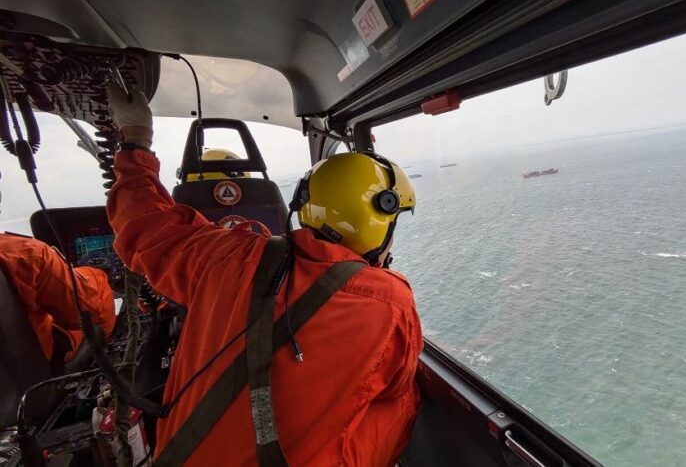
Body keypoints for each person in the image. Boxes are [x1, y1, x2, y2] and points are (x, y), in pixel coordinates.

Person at [105, 85, 422, 466]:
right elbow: (395, 384)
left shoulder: (224, 253)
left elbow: (142, 223)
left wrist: (136, 139)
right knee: (403, 400)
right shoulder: (389, 303)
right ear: (378, 220)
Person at [0, 233, 116, 366]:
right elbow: (85, 313)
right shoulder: (26, 252)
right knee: (96, 282)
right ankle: (106, 353)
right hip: (41, 361)